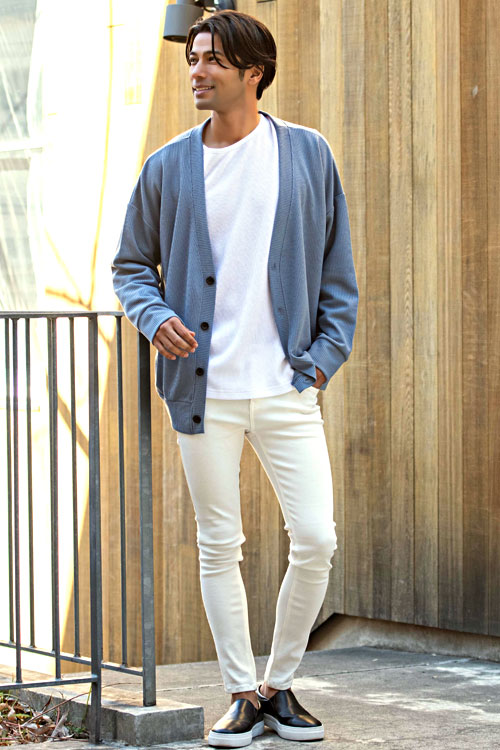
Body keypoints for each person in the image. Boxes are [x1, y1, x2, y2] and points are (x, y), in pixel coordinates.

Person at [112, 9, 358, 747]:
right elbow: (131, 266)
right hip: (203, 392)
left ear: (254, 71)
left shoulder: (307, 153)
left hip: (288, 386)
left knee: (315, 538)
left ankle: (280, 683)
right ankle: (241, 694)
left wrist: (321, 360)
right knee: (220, 544)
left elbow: (338, 272)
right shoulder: (167, 167)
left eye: (213, 60)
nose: (197, 71)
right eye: (192, 58)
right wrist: (155, 316)